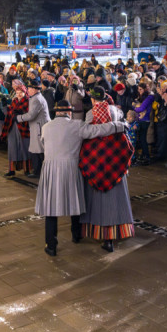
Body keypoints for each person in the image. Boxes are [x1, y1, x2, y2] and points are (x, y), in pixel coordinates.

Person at [37, 99, 127, 256]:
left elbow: (43, 145)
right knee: (74, 203)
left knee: (51, 209)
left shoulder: (46, 127)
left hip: (50, 169)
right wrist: (119, 125)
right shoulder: (77, 126)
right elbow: (99, 130)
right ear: (69, 112)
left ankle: (51, 245)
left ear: (55, 112)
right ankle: (76, 235)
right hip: (71, 168)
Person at [79, 86, 134, 252]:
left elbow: (86, 133)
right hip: (115, 161)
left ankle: (102, 235)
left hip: (96, 162)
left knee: (98, 200)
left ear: (92, 99)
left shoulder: (91, 113)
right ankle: (117, 232)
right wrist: (117, 125)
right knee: (117, 197)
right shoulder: (116, 111)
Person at [17, 80, 51, 178]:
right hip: (36, 127)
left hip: (39, 128)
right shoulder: (35, 98)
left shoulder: (37, 99)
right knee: (36, 150)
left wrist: (18, 118)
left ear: (35, 89)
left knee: (40, 150)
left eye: (30, 88)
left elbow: (31, 115)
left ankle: (41, 172)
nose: (28, 90)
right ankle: (37, 171)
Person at [2, 81, 32, 177]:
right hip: (13, 126)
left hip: (23, 128)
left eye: (21, 93)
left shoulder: (28, 101)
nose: (19, 95)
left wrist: (18, 113)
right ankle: (12, 169)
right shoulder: (14, 101)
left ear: (25, 92)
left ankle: (27, 170)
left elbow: (29, 114)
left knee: (24, 148)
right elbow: (9, 113)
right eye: (17, 93)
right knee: (12, 148)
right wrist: (4, 107)